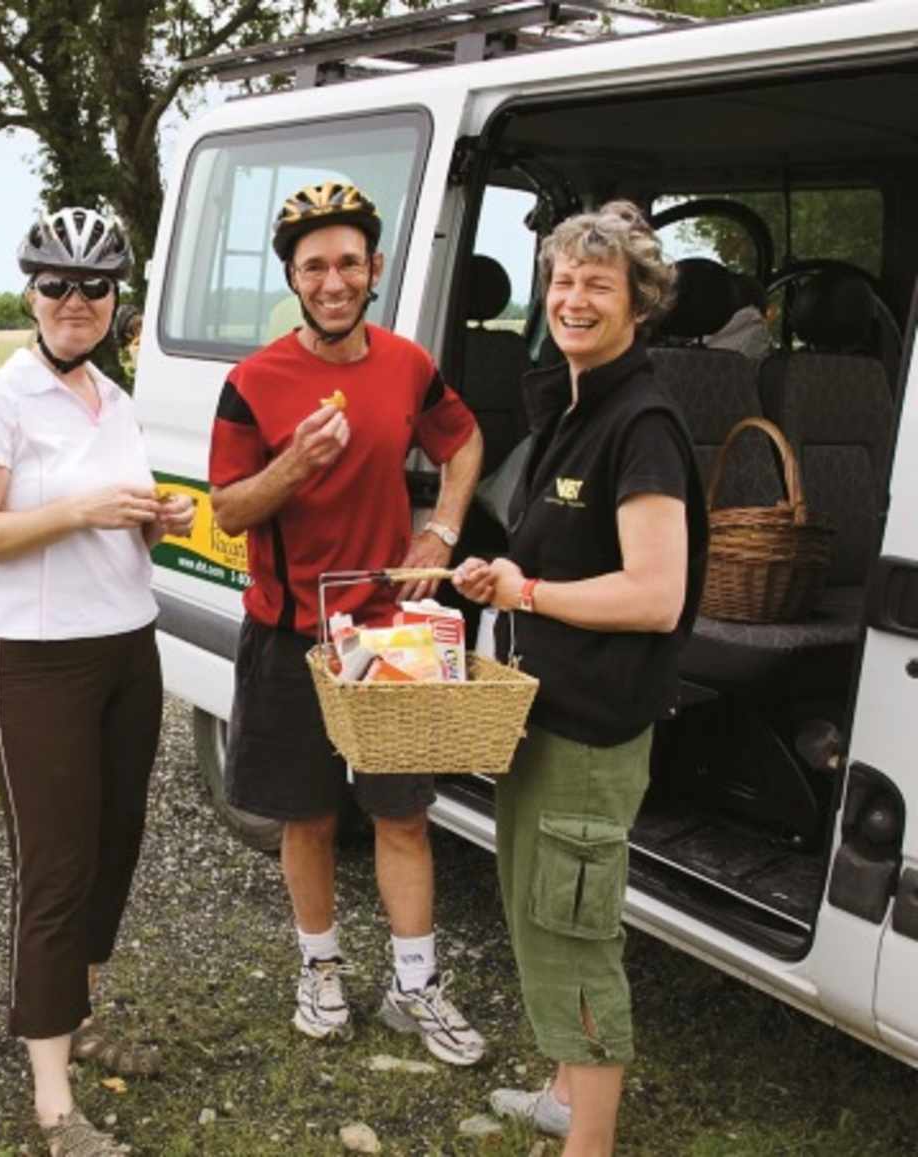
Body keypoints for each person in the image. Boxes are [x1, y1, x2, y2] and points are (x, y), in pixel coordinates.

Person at [207, 181, 488, 1065]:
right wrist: (293, 465)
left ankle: (416, 985)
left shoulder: (407, 365)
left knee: (403, 817)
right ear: (293, 276)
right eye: (314, 265)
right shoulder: (252, 384)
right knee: (310, 818)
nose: (333, 280)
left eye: (349, 263)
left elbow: (464, 440)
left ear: (375, 271)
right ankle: (319, 967)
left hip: (389, 632)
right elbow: (230, 511)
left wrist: (440, 526)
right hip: (292, 634)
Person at [0, 207, 194, 1157]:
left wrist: (150, 517)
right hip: (35, 658)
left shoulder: (112, 399)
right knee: (52, 868)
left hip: (130, 645)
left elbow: (112, 520)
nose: (74, 301)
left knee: (113, 844)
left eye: (93, 287)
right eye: (56, 285)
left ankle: (79, 1018)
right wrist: (79, 507)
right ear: (30, 293)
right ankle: (55, 1107)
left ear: (117, 300)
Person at [454, 200, 706, 1157]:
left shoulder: (641, 421)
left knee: (574, 928)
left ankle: (587, 1144)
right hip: (542, 711)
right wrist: (503, 580)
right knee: (535, 906)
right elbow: (553, 555)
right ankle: (564, 1090)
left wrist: (534, 591)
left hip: (592, 728)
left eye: (599, 283)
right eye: (563, 281)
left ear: (639, 303)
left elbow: (654, 593)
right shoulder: (574, 403)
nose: (574, 297)